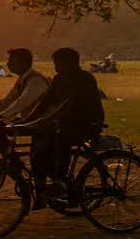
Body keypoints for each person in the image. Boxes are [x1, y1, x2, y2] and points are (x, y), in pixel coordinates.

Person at [12, 47, 105, 209]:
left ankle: (60, 181)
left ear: (70, 64)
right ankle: (42, 190)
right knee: (39, 146)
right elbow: (45, 102)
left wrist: (44, 119)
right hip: (65, 122)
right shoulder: (58, 79)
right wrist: (27, 120)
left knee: (59, 138)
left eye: (58, 64)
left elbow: (68, 104)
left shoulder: (84, 79)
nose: (56, 68)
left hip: (87, 123)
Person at [0, 48, 51, 156]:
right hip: (30, 120)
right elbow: (6, 102)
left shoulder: (36, 80)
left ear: (23, 63)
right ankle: (10, 159)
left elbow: (22, 102)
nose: (8, 64)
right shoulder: (23, 79)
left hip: (42, 123)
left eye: (11, 61)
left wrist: (1, 115)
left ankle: (12, 162)